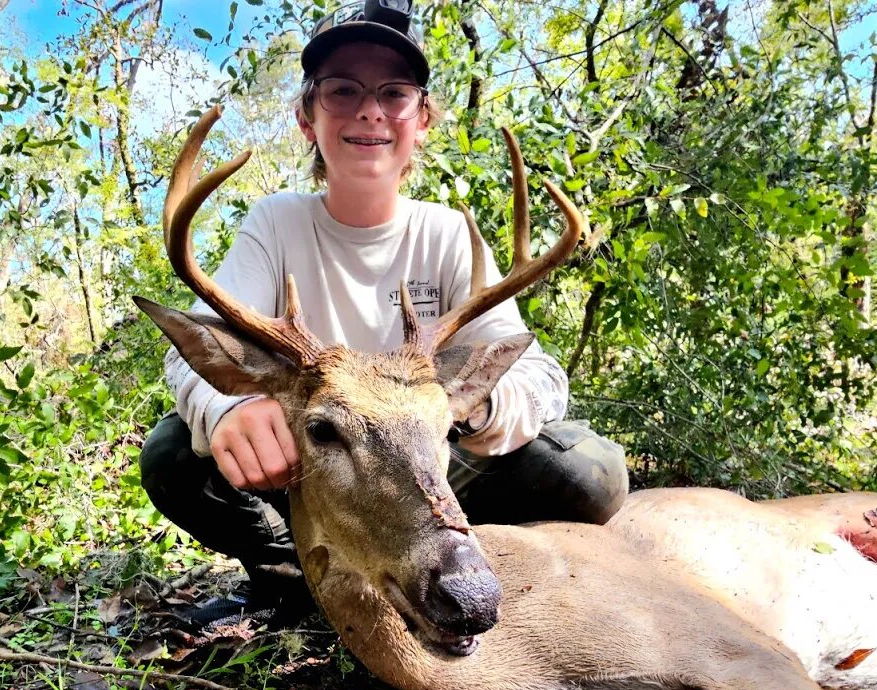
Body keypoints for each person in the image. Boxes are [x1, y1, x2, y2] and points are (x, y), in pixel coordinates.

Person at [139, 0, 628, 625]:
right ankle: (291, 577)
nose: (370, 110)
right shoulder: (276, 223)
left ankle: (456, 569)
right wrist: (230, 409)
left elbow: (537, 378)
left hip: (431, 468)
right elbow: (193, 356)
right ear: (306, 117)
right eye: (343, 91)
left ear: (421, 119)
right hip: (325, 470)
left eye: (394, 93)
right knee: (176, 453)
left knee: (590, 474)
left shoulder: (446, 234)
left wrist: (472, 404)